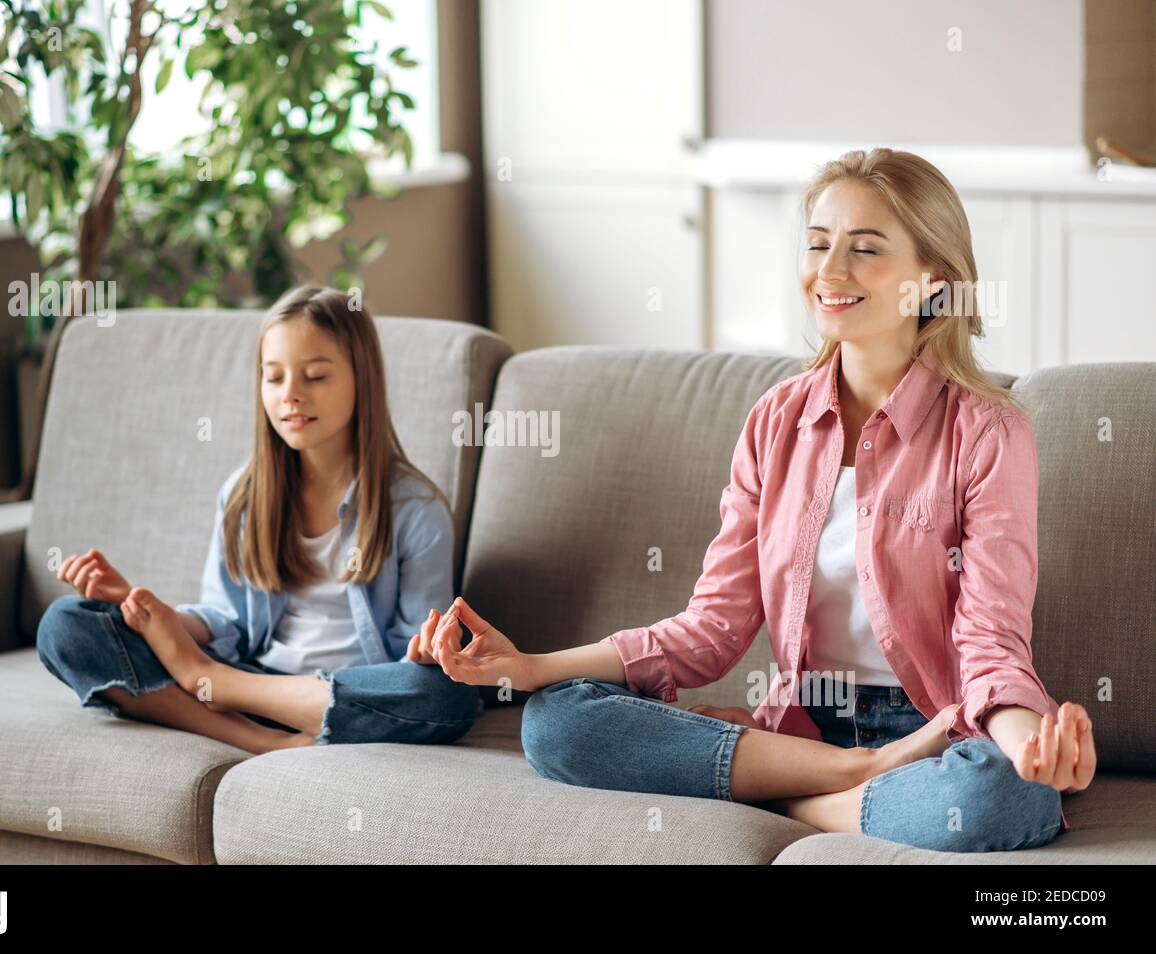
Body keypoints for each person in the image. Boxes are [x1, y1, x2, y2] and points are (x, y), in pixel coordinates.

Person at [426, 148, 1095, 853]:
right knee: (557, 721)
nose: (830, 271)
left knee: (1002, 796)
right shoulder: (777, 421)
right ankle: (853, 774)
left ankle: (803, 803)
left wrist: (1029, 747)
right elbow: (713, 628)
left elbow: (990, 643)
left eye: (865, 249)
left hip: (937, 733)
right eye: (817, 243)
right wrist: (533, 666)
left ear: (932, 280)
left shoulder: (988, 430)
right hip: (802, 730)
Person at [37, 286, 483, 754]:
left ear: (362, 379)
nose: (291, 395)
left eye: (314, 376)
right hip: (259, 678)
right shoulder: (244, 497)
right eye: (274, 378)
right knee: (66, 624)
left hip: (352, 691)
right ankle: (254, 736)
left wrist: (433, 648)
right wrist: (142, 610)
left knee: (446, 694)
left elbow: (417, 651)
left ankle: (213, 685)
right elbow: (227, 620)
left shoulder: (415, 508)